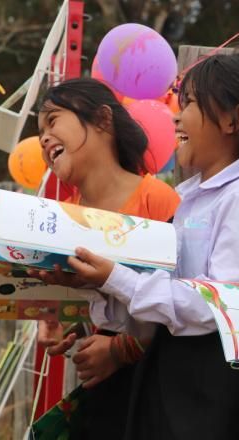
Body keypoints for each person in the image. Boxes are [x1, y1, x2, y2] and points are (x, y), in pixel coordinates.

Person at [33, 50, 239, 439]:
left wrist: (118, 280)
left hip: (207, 390)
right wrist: (93, 296)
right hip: (170, 378)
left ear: (234, 119)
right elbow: (159, 301)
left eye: (191, 104)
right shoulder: (192, 198)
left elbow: (222, 304)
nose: (177, 116)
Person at [34, 77, 180, 438]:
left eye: (52, 121)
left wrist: (122, 350)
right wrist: (72, 327)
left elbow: (184, 299)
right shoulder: (61, 216)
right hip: (103, 401)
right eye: (40, 131)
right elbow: (99, 303)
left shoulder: (158, 199)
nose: (43, 138)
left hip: (154, 393)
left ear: (102, 119)